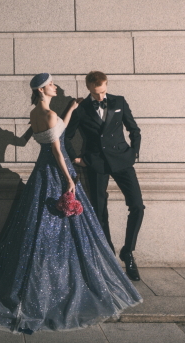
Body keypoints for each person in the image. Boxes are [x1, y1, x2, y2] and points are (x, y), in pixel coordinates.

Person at [0, 73, 142, 333]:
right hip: (54, 171)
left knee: (36, 224)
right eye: (51, 84)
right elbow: (57, 150)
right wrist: (69, 179)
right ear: (42, 90)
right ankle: (53, 276)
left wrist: (70, 109)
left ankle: (44, 269)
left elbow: (46, 134)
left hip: (41, 172)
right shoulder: (48, 116)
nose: (56, 86)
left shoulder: (36, 114)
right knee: (55, 224)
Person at [65, 71, 144, 281]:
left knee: (137, 205)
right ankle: (108, 255)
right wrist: (76, 159)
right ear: (89, 89)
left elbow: (134, 129)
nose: (101, 97)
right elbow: (66, 137)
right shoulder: (81, 109)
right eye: (96, 93)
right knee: (100, 211)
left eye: (103, 92)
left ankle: (128, 252)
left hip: (122, 160)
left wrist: (134, 153)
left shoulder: (119, 101)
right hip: (96, 163)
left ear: (107, 85)